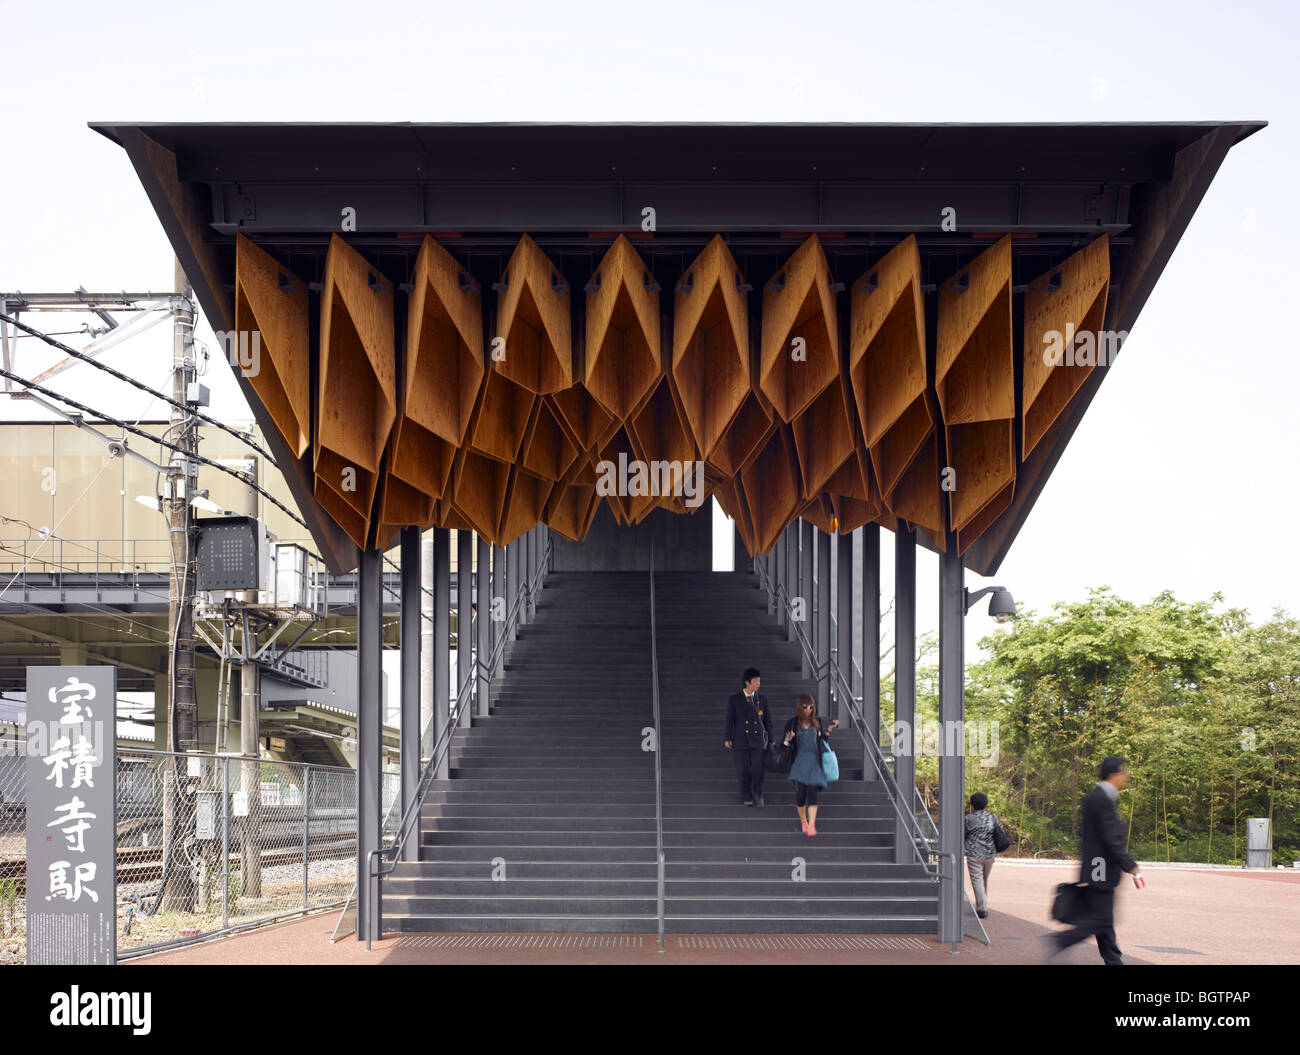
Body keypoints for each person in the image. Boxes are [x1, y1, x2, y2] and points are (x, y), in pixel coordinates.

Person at [1050, 756, 1145, 964]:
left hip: (1096, 868)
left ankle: (1114, 961)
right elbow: (1110, 837)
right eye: (1123, 773)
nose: (1125, 778)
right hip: (1100, 869)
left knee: (1105, 921)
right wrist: (1130, 865)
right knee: (1101, 919)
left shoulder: (1096, 797)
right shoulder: (1100, 799)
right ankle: (1061, 940)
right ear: (1113, 774)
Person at [781, 694, 839, 836]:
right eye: (805, 707)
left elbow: (821, 741)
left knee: (812, 794)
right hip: (799, 762)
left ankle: (812, 825)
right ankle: (804, 822)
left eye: (811, 707)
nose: (808, 709)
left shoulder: (816, 722)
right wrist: (788, 739)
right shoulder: (792, 723)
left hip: (814, 763)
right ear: (800, 707)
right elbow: (785, 744)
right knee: (801, 795)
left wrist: (829, 729)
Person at [723, 668, 773, 806]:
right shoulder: (735, 699)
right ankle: (746, 795)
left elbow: (768, 721)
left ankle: (757, 792)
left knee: (757, 768)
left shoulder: (762, 699)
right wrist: (727, 737)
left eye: (759, 681)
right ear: (747, 682)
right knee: (743, 770)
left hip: (757, 741)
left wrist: (772, 739)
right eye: (755, 681)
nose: (758, 684)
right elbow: (729, 720)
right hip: (740, 740)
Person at [963, 792, 1001, 919]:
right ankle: (983, 903)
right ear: (986, 804)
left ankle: (982, 908)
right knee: (984, 879)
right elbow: (999, 830)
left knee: (977, 880)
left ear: (972, 804)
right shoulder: (992, 817)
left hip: (974, 853)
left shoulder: (968, 818)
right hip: (990, 853)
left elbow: (963, 834)